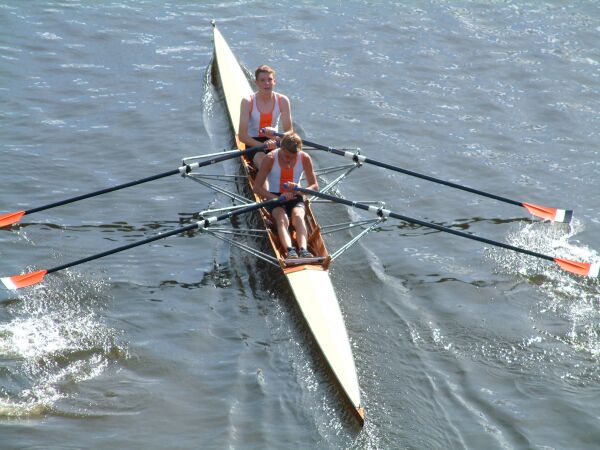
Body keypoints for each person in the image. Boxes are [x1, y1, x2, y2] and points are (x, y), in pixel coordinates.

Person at [253, 132, 318, 259]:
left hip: (295, 194)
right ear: (281, 148)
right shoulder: (270, 158)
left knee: (298, 216)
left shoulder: (304, 158)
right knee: (282, 218)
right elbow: (257, 188)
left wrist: (299, 189)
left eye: (293, 157)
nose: (289, 160)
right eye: (287, 156)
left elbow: (314, 187)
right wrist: (277, 198)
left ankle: (304, 251)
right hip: (274, 196)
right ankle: (290, 251)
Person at [239, 65, 292, 169]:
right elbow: (242, 136)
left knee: (288, 166)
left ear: (274, 82)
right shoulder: (248, 101)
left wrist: (277, 141)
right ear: (256, 83)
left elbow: (289, 132)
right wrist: (262, 145)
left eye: (269, 80)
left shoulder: (283, 100)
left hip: (274, 141)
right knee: (265, 165)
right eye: (262, 80)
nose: (267, 83)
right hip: (253, 142)